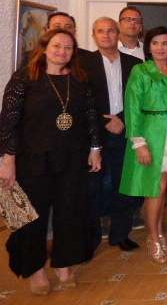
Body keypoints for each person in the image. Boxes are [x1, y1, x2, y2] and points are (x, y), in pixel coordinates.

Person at [0, 29, 101, 295]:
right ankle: (35, 269)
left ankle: (64, 264)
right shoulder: (24, 78)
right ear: (44, 47)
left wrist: (95, 149)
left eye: (68, 48)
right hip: (33, 160)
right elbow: (8, 123)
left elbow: (91, 116)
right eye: (57, 46)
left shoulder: (79, 80)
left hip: (72, 158)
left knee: (70, 212)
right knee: (31, 217)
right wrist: (7, 160)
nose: (62, 52)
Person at [119, 27, 167, 264]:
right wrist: (139, 142)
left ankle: (159, 231)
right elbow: (132, 107)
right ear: (148, 47)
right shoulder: (141, 71)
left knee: (163, 188)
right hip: (152, 136)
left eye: (165, 43)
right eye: (155, 43)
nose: (160, 48)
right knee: (155, 190)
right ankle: (153, 237)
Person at [81, 17, 142, 252]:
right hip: (94, 134)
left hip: (124, 131)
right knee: (92, 188)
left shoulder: (134, 64)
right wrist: (104, 121)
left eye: (110, 31)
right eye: (100, 31)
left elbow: (140, 99)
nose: (106, 35)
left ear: (118, 34)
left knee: (123, 185)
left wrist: (123, 120)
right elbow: (79, 101)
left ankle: (120, 234)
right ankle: (91, 238)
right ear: (94, 35)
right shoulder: (83, 63)